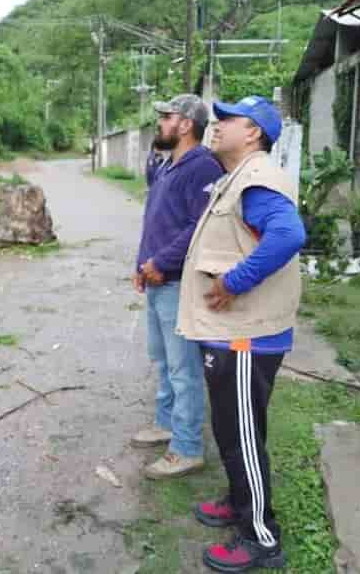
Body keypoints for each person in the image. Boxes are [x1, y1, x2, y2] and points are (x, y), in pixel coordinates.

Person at [177, 96, 305, 572]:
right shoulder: (239, 177)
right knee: (231, 430)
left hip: (246, 337)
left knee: (242, 436)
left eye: (227, 119)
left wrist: (234, 282)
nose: (216, 125)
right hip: (231, 333)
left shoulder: (259, 179)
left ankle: (261, 539)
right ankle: (237, 501)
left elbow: (287, 235)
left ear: (253, 132)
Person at [131, 95, 223, 479]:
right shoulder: (172, 164)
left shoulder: (201, 167)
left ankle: (186, 447)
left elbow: (197, 228)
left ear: (186, 124)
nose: (160, 123)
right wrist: (142, 265)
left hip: (178, 283)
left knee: (183, 368)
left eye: (167, 117)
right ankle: (166, 423)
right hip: (157, 279)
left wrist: (160, 262)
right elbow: (157, 218)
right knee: (165, 361)